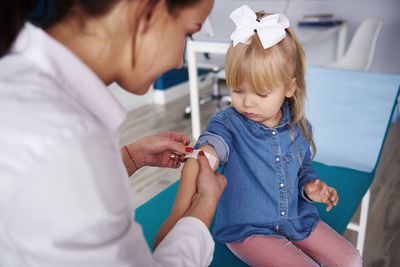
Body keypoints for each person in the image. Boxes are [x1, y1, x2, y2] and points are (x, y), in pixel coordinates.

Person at [0, 0, 227, 266]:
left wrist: (131, 157)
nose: (180, 62)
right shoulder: (65, 142)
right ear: (148, 12)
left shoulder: (19, 80)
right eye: (188, 33)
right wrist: (204, 207)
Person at [154, 5, 363, 267]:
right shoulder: (227, 123)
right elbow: (209, 149)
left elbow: (302, 169)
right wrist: (205, 156)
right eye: (238, 91)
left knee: (351, 259)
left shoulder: (299, 126)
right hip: (248, 230)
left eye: (261, 94)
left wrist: (310, 188)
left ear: (289, 87)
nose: (248, 103)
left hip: (296, 218)